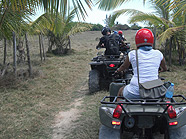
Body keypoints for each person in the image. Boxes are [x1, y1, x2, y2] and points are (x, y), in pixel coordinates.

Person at [115, 28, 167, 99]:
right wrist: (161, 70)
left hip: (135, 91)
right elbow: (164, 68)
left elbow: (124, 66)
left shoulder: (132, 54)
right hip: (154, 90)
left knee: (121, 90)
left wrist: (118, 71)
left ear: (137, 40)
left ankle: (119, 109)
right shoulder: (158, 53)